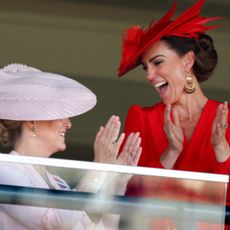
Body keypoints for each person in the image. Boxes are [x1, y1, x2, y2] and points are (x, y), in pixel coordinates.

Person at [117, 0, 230, 228]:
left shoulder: (226, 119)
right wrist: (171, 153)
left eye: (157, 62)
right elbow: (128, 199)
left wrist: (221, 151)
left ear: (187, 61)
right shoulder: (141, 118)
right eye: (146, 67)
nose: (150, 75)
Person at [0, 63, 142, 230]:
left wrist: (115, 184)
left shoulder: (59, 183)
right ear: (33, 121)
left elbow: (104, 228)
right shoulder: (5, 169)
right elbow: (54, 223)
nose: (68, 124)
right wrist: (98, 168)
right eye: (60, 114)